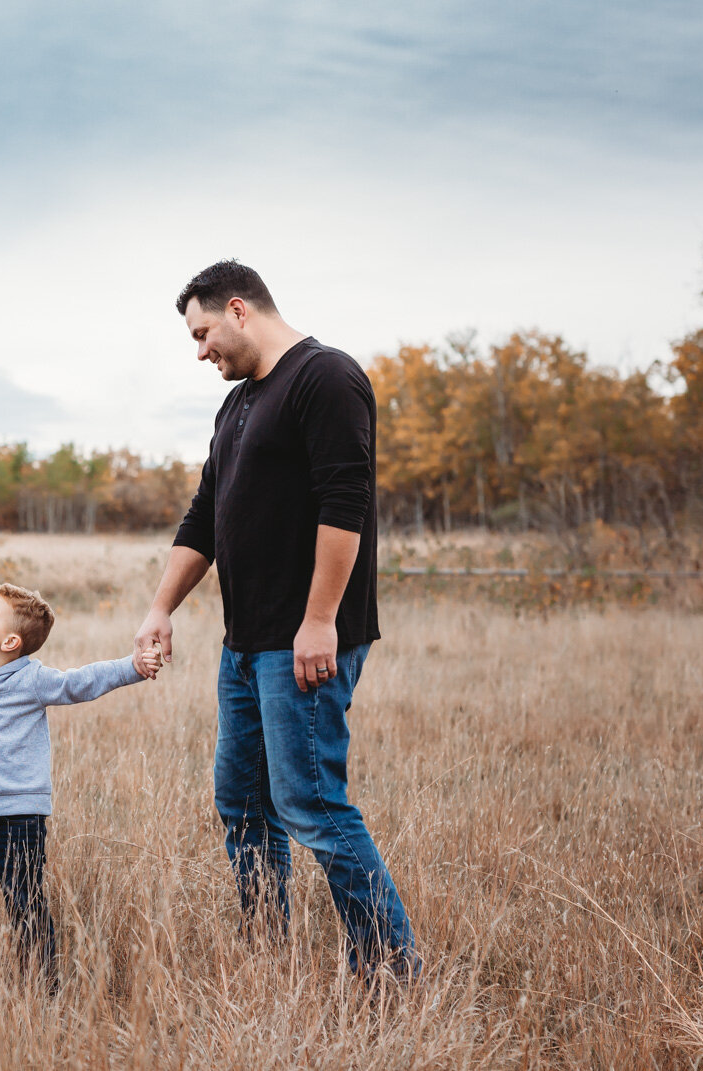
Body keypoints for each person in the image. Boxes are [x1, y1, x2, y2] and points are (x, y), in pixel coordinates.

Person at [133, 260, 419, 979]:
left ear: (238, 309)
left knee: (312, 803)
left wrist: (319, 618)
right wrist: (160, 607)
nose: (200, 351)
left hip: (306, 642)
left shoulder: (325, 377)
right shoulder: (237, 406)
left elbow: (343, 503)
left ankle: (390, 964)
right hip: (247, 644)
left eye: (202, 333)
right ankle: (267, 946)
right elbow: (205, 517)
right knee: (243, 803)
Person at [0, 583, 160, 979]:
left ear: (10, 641)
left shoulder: (33, 680)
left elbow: (80, 681)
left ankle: (44, 984)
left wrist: (133, 666)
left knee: (24, 906)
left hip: (21, 820)